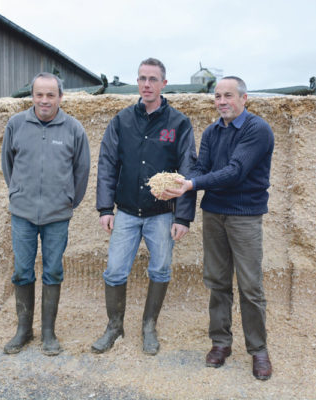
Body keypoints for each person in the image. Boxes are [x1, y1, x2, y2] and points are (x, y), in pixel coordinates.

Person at [154, 76, 274, 380]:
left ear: (244, 99)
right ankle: (221, 343)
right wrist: (178, 185)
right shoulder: (211, 131)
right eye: (218, 96)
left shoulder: (256, 130)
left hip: (245, 216)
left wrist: (190, 184)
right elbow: (200, 168)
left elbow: (235, 172)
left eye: (229, 96)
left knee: (250, 286)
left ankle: (258, 350)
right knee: (217, 281)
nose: (222, 101)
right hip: (215, 215)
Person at [92, 58, 197, 356]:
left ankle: (149, 326)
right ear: (137, 82)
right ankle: (114, 327)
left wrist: (183, 217)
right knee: (114, 272)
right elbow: (108, 164)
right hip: (125, 211)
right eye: (142, 78)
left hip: (162, 215)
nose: (147, 84)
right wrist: (105, 208)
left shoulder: (178, 123)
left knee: (161, 270)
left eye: (153, 79)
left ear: (164, 83)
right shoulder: (122, 120)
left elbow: (189, 169)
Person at [1, 72, 90, 356]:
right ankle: (24, 330)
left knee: (53, 270)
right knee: (22, 271)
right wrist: (18, 192)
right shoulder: (16, 124)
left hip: (57, 216)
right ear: (32, 96)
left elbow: (82, 170)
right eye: (39, 94)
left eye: (51, 95)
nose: (44, 100)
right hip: (23, 214)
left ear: (60, 97)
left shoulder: (73, 129)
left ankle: (49, 333)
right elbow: (8, 164)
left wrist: (67, 200)